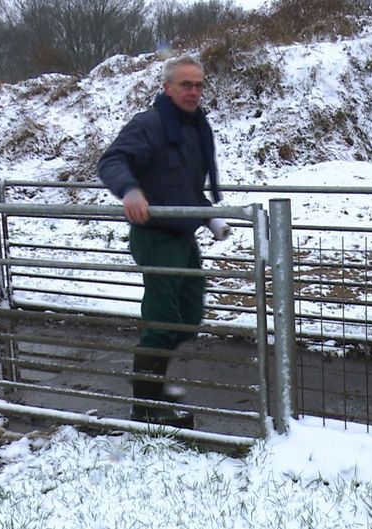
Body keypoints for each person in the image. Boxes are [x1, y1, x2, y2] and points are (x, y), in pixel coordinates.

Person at [98, 54, 230, 429]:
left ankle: (154, 386)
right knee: (163, 320)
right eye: (185, 84)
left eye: (199, 84)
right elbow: (111, 161)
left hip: (183, 234)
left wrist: (208, 215)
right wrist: (130, 191)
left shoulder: (195, 128)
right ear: (167, 88)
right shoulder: (150, 124)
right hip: (155, 236)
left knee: (189, 316)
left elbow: (183, 187)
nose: (193, 91)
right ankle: (146, 404)